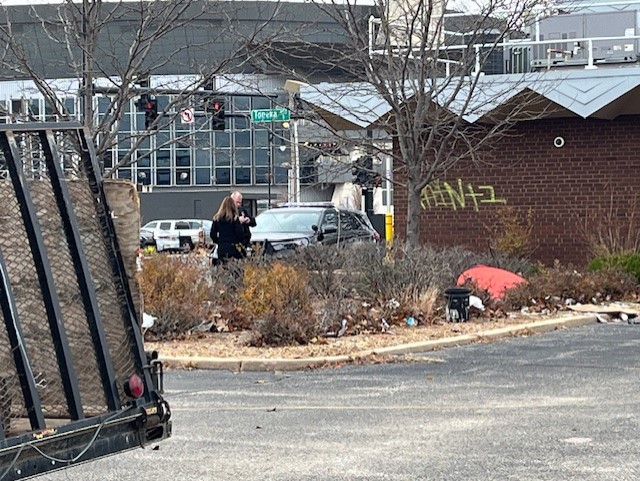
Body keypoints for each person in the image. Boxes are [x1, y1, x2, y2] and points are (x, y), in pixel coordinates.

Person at [210, 196, 245, 263]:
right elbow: (240, 234)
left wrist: (219, 241)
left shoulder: (217, 218)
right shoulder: (234, 219)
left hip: (222, 248)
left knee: (222, 268)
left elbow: (212, 234)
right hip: (233, 248)